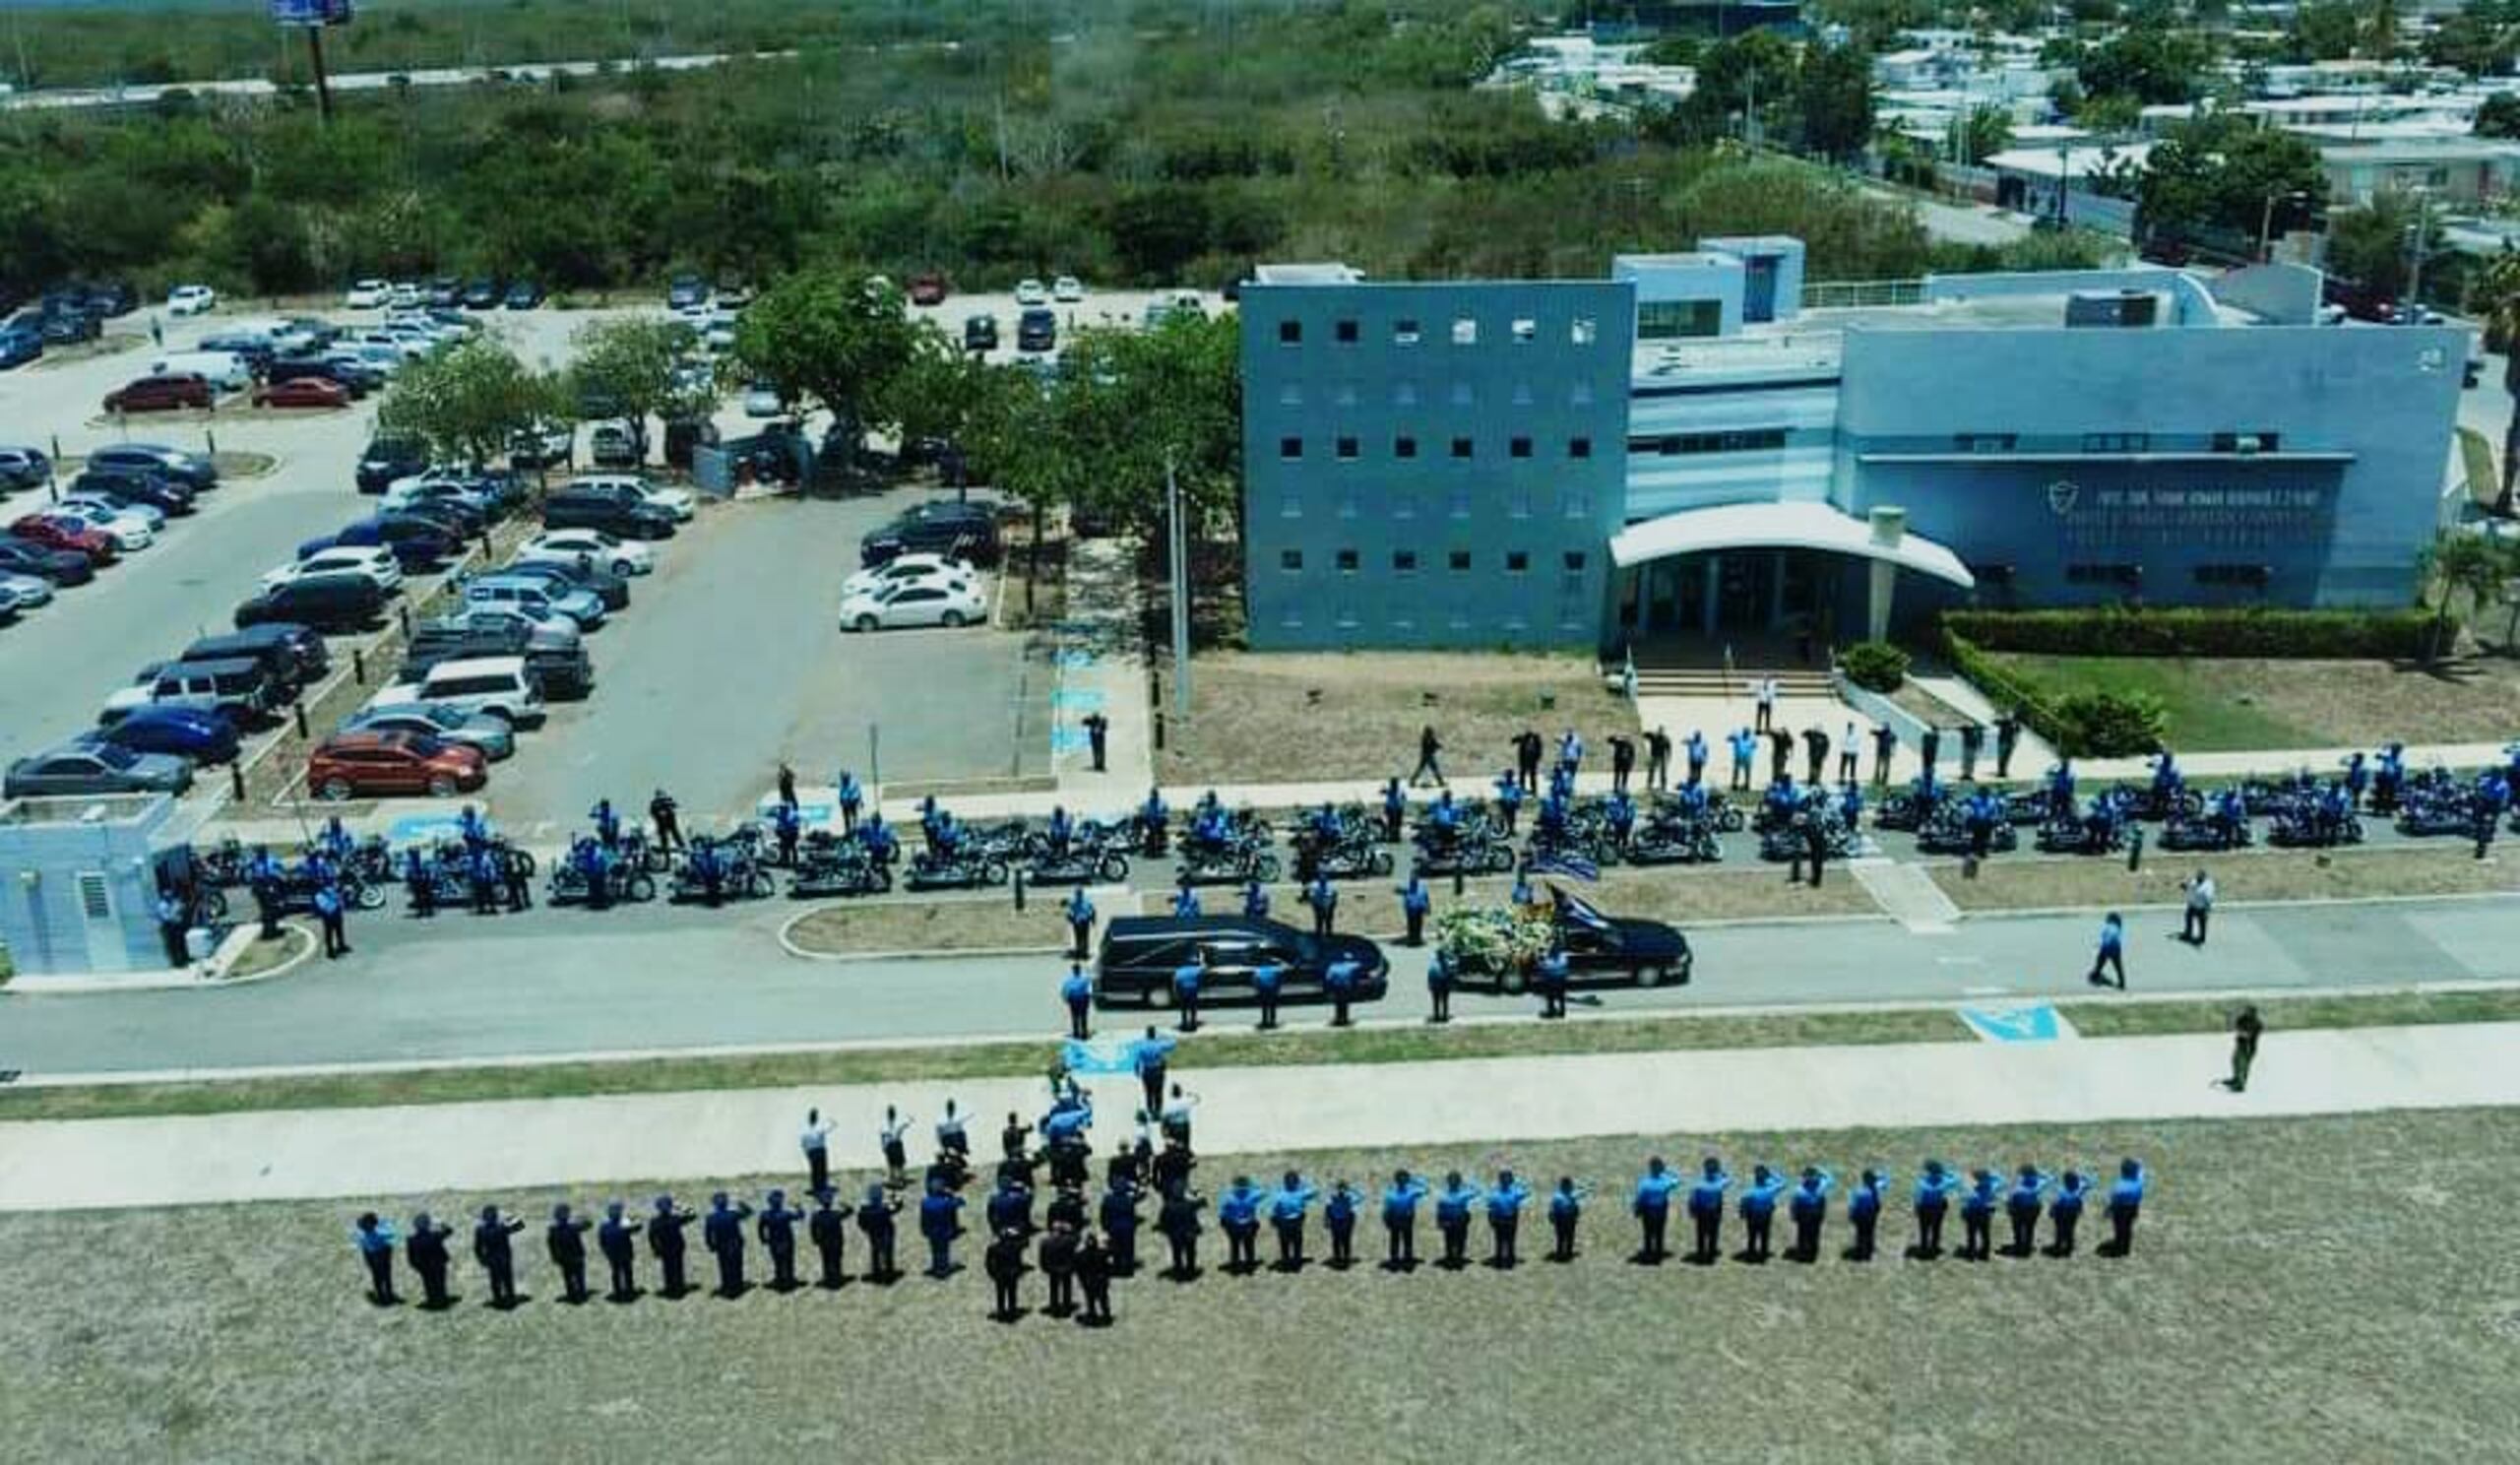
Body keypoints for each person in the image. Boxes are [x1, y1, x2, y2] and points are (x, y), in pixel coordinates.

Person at [703, 1191, 754, 1297]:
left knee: (725, 1266)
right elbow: (749, 1212)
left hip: (722, 1246)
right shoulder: (732, 1214)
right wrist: (741, 1203)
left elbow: (708, 1234)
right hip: (734, 1244)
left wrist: (711, 1246)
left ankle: (727, 1286)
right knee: (736, 1265)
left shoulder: (711, 1218)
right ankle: (737, 1286)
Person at [472, 1204, 525, 1307]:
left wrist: (509, 1217)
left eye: (491, 1214)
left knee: (504, 1280)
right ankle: (501, 1299)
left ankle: (506, 1298)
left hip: (500, 1258)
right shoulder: (487, 1229)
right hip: (496, 1258)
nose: (490, 1216)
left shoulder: (499, 1227)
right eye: (488, 1214)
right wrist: (481, 1259)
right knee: (498, 1281)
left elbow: (520, 1226)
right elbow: (477, 1247)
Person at [1633, 1157, 1683, 1262]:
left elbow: (1639, 1198)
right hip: (1660, 1210)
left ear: (1650, 1168)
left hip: (1648, 1210)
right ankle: (1658, 1254)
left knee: (1648, 1233)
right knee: (1659, 1232)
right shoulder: (1666, 1182)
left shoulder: (1644, 1182)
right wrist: (1667, 1170)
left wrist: (1636, 1209)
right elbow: (1678, 1180)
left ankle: (1648, 1253)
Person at [1735, 1164, 1787, 1263]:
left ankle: (1751, 1255)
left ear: (1755, 1178)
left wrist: (1742, 1214)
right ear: (1766, 1179)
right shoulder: (1771, 1189)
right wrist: (1771, 1173)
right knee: (1764, 1236)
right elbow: (1783, 1182)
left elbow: (1743, 1204)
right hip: (1765, 1216)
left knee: (1752, 1236)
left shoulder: (1749, 1192)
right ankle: (1763, 1257)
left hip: (1752, 1217)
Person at [543, 1202, 593, 1304]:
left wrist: (555, 1257)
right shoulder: (571, 1227)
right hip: (572, 1258)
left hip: (568, 1258)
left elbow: (551, 1245)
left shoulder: (554, 1229)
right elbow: (588, 1224)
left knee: (571, 1278)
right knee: (576, 1277)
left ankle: (574, 1294)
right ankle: (579, 1294)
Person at [1268, 1170, 1319, 1269]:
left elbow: (1273, 1210)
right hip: (1296, 1222)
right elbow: (1315, 1190)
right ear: (1297, 1182)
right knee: (1297, 1243)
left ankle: (1286, 1262)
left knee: (1284, 1243)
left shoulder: (1279, 1195)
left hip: (1283, 1222)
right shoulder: (1301, 1193)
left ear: (1285, 1182)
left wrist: (1274, 1221)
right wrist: (1304, 1182)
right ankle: (1296, 1264)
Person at [647, 1194, 696, 1297]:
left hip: (664, 1249)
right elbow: (692, 1214)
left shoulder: (655, 1222)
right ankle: (679, 1287)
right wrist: (679, 1207)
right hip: (677, 1248)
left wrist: (655, 1249)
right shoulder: (675, 1219)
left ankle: (670, 1288)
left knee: (667, 1269)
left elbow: (651, 1237)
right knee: (678, 1268)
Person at [1379, 1169, 1429, 1268]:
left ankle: (1408, 1258)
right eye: (1400, 1178)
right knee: (1394, 1239)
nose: (1402, 1180)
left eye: (1405, 1178)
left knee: (1408, 1239)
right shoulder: (1390, 1193)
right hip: (1394, 1219)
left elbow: (1426, 1189)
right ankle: (1394, 1258)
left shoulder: (1412, 1191)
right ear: (1396, 1180)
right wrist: (1385, 1220)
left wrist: (1413, 1180)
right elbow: (1386, 1209)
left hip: (1407, 1219)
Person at [406, 1211, 456, 1308]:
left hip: (424, 1266)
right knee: (440, 1283)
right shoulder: (435, 1235)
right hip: (438, 1264)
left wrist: (416, 1267)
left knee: (428, 1284)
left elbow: (410, 1257)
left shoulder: (412, 1240)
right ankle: (441, 1299)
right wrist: (441, 1223)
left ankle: (432, 1300)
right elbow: (450, 1231)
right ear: (428, 1224)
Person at [1911, 1160, 1959, 1258]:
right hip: (1938, 1209)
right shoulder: (1944, 1182)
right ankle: (1934, 1248)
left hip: (1924, 1209)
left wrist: (1916, 1208)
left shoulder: (1922, 1182)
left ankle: (1923, 1248)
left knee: (1924, 1230)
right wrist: (1945, 1171)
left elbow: (1917, 1196)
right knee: (1936, 1229)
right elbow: (1957, 1179)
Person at [1433, 1171, 1481, 1268]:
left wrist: (1467, 1182)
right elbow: (1440, 1210)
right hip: (1448, 1221)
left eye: (1456, 1180)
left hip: (1461, 1221)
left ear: (1459, 1181)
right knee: (1449, 1241)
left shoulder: (1464, 1194)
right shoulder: (1443, 1195)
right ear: (1448, 1181)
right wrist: (1439, 1222)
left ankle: (1459, 1258)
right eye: (1451, 1180)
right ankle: (1450, 1258)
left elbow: (1478, 1191)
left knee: (1461, 1241)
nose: (1453, 1182)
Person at [1484, 1169, 1532, 1267]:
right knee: (1499, 1241)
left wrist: (1517, 1182)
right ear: (1501, 1180)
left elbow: (1528, 1191)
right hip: (1500, 1219)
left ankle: (1509, 1261)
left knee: (1510, 1241)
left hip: (1511, 1219)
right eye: (1504, 1179)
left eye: (1508, 1179)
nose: (1506, 1181)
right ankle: (1499, 1260)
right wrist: (1491, 1219)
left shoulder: (1514, 1192)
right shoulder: (1496, 1193)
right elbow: (1490, 1207)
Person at [1159, 1181, 1207, 1278]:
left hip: (1175, 1234)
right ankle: (1191, 1269)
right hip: (1189, 1233)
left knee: (1177, 1253)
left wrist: (1167, 1230)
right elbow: (1202, 1203)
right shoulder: (1189, 1205)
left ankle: (1178, 1269)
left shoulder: (1168, 1206)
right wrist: (1198, 1195)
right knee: (1190, 1252)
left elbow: (1163, 1220)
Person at [919, 1181, 967, 1277]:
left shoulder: (925, 1202)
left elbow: (923, 1218)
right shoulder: (945, 1202)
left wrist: (924, 1230)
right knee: (943, 1250)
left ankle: (936, 1266)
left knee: (934, 1250)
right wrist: (950, 1194)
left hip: (931, 1231)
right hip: (944, 1230)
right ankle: (943, 1269)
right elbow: (961, 1202)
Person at [806, 1188, 851, 1289]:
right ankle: (837, 1276)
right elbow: (850, 1211)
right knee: (836, 1259)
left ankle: (828, 1277)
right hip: (836, 1241)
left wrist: (815, 1239)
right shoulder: (835, 1214)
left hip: (824, 1242)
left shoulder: (817, 1216)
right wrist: (844, 1205)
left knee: (826, 1259)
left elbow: (813, 1228)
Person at [1788, 1167, 1834, 1263]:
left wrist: (1793, 1214)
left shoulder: (1800, 1189)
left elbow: (1793, 1204)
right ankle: (1810, 1254)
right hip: (1812, 1214)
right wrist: (1821, 1171)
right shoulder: (1821, 1185)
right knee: (1810, 1234)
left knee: (1805, 1234)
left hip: (1807, 1214)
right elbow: (1830, 1179)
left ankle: (1804, 1253)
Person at [2003, 1166, 2051, 1258]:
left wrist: (2009, 1209)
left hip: (2019, 1210)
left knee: (2017, 1229)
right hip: (2033, 1210)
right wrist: (2040, 1173)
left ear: (2023, 1175)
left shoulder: (2018, 1188)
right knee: (2030, 1229)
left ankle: (2018, 1247)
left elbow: (2010, 1200)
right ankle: (2027, 1248)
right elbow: (2050, 1179)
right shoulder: (2038, 1184)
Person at [856, 1183, 902, 1281]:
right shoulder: (884, 1208)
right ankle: (888, 1271)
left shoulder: (865, 1209)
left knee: (875, 1252)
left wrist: (866, 1230)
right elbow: (897, 1207)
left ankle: (876, 1271)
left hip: (873, 1234)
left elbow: (861, 1222)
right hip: (886, 1233)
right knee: (888, 1253)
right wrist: (896, 1198)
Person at [598, 1200, 642, 1302]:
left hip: (615, 1254)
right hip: (623, 1254)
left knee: (618, 1273)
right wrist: (632, 1219)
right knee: (625, 1273)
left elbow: (602, 1241)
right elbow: (638, 1227)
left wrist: (606, 1252)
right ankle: (627, 1291)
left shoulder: (605, 1226)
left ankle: (620, 1292)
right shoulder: (623, 1225)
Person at [352, 1211, 400, 1305]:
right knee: (386, 1276)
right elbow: (392, 1235)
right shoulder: (380, 1234)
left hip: (371, 1258)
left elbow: (359, 1241)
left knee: (377, 1276)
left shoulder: (361, 1235)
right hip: (382, 1256)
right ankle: (389, 1294)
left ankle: (381, 1294)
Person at [1218, 1176, 1263, 1271]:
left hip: (1234, 1226)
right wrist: (1253, 1185)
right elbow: (1264, 1192)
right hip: (1248, 1225)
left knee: (1234, 1245)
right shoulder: (1253, 1195)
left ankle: (1235, 1263)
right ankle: (1250, 1263)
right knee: (1249, 1245)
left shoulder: (1228, 1197)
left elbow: (1222, 1213)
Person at [2104, 1158, 2147, 1256]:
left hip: (2120, 1210)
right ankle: (2126, 1248)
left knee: (2119, 1229)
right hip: (2133, 1209)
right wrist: (2140, 1165)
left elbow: (2114, 1200)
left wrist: (2108, 1210)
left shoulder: (2119, 1186)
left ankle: (2118, 1248)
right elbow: (2141, 1173)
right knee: (2128, 1228)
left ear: (2122, 1172)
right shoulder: (2138, 1183)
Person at [983, 1226, 1028, 1320]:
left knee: (1000, 1294)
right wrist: (1017, 1233)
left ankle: (1001, 1311)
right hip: (1012, 1274)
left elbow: (988, 1263)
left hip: (1000, 1275)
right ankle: (1012, 1310)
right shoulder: (1015, 1247)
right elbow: (1025, 1243)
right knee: (1012, 1293)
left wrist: (992, 1274)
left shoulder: (993, 1248)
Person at [2048, 1171, 2092, 1256]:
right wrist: (2084, 1176)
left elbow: (2055, 1203)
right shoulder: (2079, 1188)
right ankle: (2068, 1246)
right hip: (2072, 1213)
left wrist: (2051, 1212)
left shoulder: (2062, 1191)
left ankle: (2059, 1245)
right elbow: (2089, 1183)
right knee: (2070, 1230)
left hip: (2061, 1213)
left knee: (2060, 1230)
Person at [1845, 1169, 1886, 1261]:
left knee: (1862, 1234)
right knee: (1867, 1233)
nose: (1875, 1180)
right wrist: (1880, 1174)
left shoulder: (1859, 1191)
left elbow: (1852, 1205)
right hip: (1869, 1215)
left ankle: (1863, 1251)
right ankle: (1866, 1251)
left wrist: (1851, 1215)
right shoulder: (1875, 1187)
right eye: (1874, 1179)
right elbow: (1885, 1179)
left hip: (1863, 1216)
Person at [2224, 1003, 2265, 1093]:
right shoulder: (2242, 1019)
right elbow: (2234, 1027)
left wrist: (2242, 1032)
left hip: (2249, 1047)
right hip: (2240, 1044)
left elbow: (2250, 1034)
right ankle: (2235, 1079)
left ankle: (2240, 1085)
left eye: (2249, 1011)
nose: (2246, 1012)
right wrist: (2230, 1017)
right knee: (2235, 1061)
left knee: (2244, 1066)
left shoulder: (2257, 1023)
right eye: (2246, 1011)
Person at [1546, 1178, 1588, 1262]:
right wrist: (1551, 1218)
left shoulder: (1573, 1194)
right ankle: (1560, 1253)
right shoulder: (1557, 1196)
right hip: (1560, 1219)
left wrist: (1576, 1216)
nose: (1570, 1187)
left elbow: (1576, 1206)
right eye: (1568, 1186)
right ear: (1563, 1186)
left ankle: (1569, 1253)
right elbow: (1552, 1208)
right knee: (1561, 1237)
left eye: (1570, 1186)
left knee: (1570, 1237)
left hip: (1570, 1218)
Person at [1135, 1026, 1173, 1116]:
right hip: (1158, 1070)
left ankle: (1150, 1110)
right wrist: (1163, 1035)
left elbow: (1137, 1061)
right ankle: (1158, 1111)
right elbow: (1173, 1043)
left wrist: (1137, 1071)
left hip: (1147, 1071)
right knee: (1158, 1092)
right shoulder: (1159, 1045)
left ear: (1147, 1034)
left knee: (1148, 1092)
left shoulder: (1142, 1046)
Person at [1323, 1180, 1361, 1267]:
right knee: (1336, 1240)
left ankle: (1346, 1258)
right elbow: (1327, 1207)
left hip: (1346, 1220)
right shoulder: (1332, 1197)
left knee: (1346, 1240)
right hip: (1335, 1220)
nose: (1341, 1191)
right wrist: (1326, 1220)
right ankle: (1337, 1257)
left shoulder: (1350, 1197)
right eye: (1340, 1188)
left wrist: (1352, 1189)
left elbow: (1361, 1196)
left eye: (1343, 1189)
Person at [801, 1108, 836, 1197]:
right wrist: (831, 1121)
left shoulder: (806, 1130)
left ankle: (816, 1186)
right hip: (819, 1150)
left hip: (812, 1151)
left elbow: (803, 1143)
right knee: (821, 1169)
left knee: (815, 1169)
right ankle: (822, 1186)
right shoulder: (819, 1128)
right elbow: (831, 1127)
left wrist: (806, 1152)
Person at [2089, 911, 2127, 989]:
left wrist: (2103, 944)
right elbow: (2113, 936)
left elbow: (2109, 936)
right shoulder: (2117, 927)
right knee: (2118, 966)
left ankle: (2095, 975)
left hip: (2107, 947)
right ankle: (2122, 983)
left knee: (2100, 962)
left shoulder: (2109, 927)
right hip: (2115, 948)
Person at [155, 888, 190, 969]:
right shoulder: (162, 905)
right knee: (171, 945)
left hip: (175, 927)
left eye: (170, 894)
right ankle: (174, 962)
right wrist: (174, 918)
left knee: (178, 944)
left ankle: (181, 961)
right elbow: (165, 917)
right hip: (167, 927)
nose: (169, 896)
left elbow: (180, 910)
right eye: (167, 895)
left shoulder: (173, 903)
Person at [313, 881, 349, 959]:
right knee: (329, 933)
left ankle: (341, 945)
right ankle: (330, 950)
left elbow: (340, 901)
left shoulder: (331, 891)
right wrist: (336, 900)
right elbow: (324, 907)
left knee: (339, 931)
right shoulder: (319, 896)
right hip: (329, 916)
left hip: (337, 913)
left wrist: (340, 899)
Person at [1170, 948, 1205, 1033]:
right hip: (1192, 992)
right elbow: (1204, 967)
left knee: (1184, 1009)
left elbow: (1175, 983)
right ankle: (1193, 1024)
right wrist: (1202, 957)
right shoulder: (1195, 969)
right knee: (1193, 1009)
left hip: (1182, 992)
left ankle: (1184, 1024)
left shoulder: (1179, 971)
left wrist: (1175, 993)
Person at [880, 1106, 914, 1187]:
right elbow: (906, 1124)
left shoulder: (884, 1125)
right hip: (896, 1145)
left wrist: (883, 1147)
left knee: (891, 1164)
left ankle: (892, 1177)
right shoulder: (898, 1124)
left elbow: (882, 1137)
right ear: (894, 1114)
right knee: (900, 1164)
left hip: (889, 1146)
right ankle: (900, 1177)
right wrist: (910, 1119)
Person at [1535, 946, 1569, 1021]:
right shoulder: (1563, 957)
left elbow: (1544, 967)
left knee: (1550, 996)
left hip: (1552, 980)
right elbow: (1564, 966)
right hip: (1561, 979)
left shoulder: (1549, 959)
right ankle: (1562, 1012)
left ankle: (1551, 1011)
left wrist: (1540, 963)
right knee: (1561, 997)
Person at [2182, 870, 2216, 946]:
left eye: (2200, 878)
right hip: (2192, 905)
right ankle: (2188, 933)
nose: (2198, 879)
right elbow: (2189, 888)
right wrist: (2184, 886)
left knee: (2202, 923)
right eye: (2197, 877)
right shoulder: (2194, 881)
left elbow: (2209, 898)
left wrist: (2208, 908)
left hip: (2202, 908)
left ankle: (2202, 938)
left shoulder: (2208, 886)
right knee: (2188, 918)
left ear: (2204, 878)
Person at [1061, 962, 1094, 1040]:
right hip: (1083, 999)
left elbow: (1064, 991)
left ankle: (1076, 1034)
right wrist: (1089, 999)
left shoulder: (1068, 980)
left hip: (1073, 1000)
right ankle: (1084, 1034)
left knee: (1074, 1017)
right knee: (1083, 1017)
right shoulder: (1085, 979)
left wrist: (1066, 1000)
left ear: (1073, 971)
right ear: (1080, 970)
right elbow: (1089, 991)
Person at [1410, 724, 1447, 789]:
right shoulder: (1426, 739)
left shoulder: (1428, 738)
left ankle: (1412, 781)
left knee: (1422, 769)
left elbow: (1434, 744)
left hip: (1426, 756)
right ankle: (1440, 782)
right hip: (1428, 756)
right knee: (1434, 769)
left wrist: (1438, 746)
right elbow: (1430, 747)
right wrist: (1437, 747)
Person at [1251, 956, 1283, 1031]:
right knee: (1272, 1007)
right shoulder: (1275, 969)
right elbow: (1279, 980)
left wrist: (1257, 989)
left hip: (1262, 989)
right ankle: (1272, 1022)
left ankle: (1264, 1021)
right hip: (1272, 989)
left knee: (1264, 1007)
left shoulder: (1258, 970)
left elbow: (1255, 980)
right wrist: (1277, 989)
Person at [1399, 874, 1430, 947]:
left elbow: (1426, 897)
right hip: (1411, 908)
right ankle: (1412, 939)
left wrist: (1428, 907)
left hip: (1419, 908)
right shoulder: (1407, 887)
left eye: (1415, 879)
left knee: (1419, 925)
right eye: (1412, 879)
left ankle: (1418, 939)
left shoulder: (1422, 887)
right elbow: (1398, 890)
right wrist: (1402, 891)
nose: (1413, 880)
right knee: (1411, 925)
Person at [1303, 872, 1338, 936]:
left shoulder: (1331, 886)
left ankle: (1328, 932)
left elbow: (1334, 895)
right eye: (1321, 878)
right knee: (1319, 919)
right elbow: (1311, 895)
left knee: (1328, 920)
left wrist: (1332, 905)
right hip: (1318, 905)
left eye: (1324, 878)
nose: (1322, 880)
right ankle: (1318, 932)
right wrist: (1314, 905)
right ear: (1318, 879)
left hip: (1328, 905)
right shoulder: (1314, 885)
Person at [1426, 950, 1455, 1024]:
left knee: (1436, 1002)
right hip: (1444, 984)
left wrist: (1429, 984)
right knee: (1444, 1001)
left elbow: (1430, 974)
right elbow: (1450, 973)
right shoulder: (1447, 962)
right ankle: (1444, 1016)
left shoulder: (1433, 963)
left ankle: (1437, 1016)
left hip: (1436, 984)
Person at [1514, 729, 1544, 794]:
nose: (1530, 740)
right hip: (1524, 761)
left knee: (1532, 776)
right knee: (1523, 775)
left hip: (1532, 762)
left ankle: (1534, 790)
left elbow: (1539, 751)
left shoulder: (1536, 742)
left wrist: (1537, 759)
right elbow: (1515, 740)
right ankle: (1522, 788)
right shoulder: (1524, 740)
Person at [1994, 710, 2023, 779]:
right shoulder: (2003, 722)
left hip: (2010, 742)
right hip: (2002, 742)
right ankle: (2000, 771)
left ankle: (2004, 771)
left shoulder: (2015, 723)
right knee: (2001, 757)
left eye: (2010, 714)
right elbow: (1994, 722)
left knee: (2007, 758)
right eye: (2008, 714)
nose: (2009, 716)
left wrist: (2016, 741)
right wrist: (1999, 716)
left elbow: (2019, 732)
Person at [1646, 727, 1672, 791]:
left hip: (1662, 756)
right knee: (1651, 771)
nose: (1661, 733)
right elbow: (1645, 734)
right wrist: (1650, 732)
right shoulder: (1653, 736)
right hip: (1654, 756)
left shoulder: (1666, 739)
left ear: (1663, 732)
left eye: (1662, 732)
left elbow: (1669, 749)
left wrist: (1669, 758)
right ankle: (1649, 784)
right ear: (1658, 731)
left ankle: (1663, 785)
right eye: (1659, 731)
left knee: (1663, 771)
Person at [1870, 724, 1897, 789]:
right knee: (1879, 766)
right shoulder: (1882, 733)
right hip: (1882, 752)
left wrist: (1893, 751)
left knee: (1884, 767)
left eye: (1884, 727)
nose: (1884, 728)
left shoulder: (1889, 734)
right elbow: (1872, 732)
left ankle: (1882, 780)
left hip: (1885, 752)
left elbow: (1894, 744)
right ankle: (1878, 779)